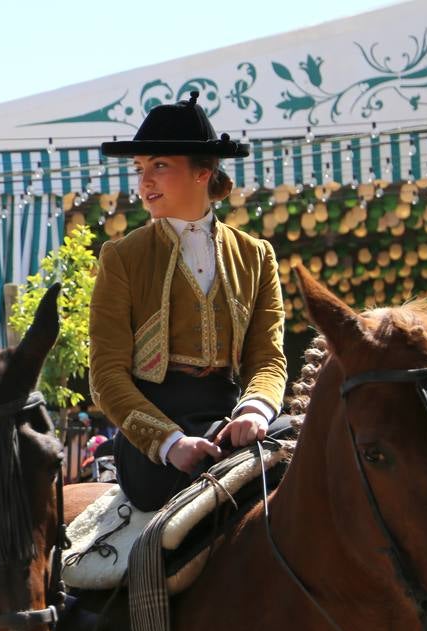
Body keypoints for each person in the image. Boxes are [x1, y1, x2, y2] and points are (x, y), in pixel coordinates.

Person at [89, 91, 287, 512]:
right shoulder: (122, 257)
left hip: (231, 419)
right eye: (141, 168)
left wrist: (255, 411)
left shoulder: (256, 255)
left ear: (204, 172)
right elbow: (106, 376)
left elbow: (267, 358)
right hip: (154, 437)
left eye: (159, 165)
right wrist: (170, 443)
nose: (144, 181)